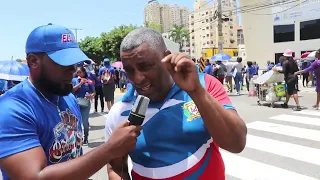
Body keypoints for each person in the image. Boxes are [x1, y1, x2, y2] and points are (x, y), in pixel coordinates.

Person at [0, 23, 141, 180]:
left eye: (74, 62)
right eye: (64, 62)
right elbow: (34, 177)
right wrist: (109, 149)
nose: (73, 69)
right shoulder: (12, 109)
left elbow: (73, 158)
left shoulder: (67, 97)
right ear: (33, 61)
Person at [105, 28, 247, 180]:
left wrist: (196, 92)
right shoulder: (120, 110)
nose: (138, 78)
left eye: (145, 66)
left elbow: (236, 143)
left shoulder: (204, 85)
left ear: (166, 57)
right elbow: (116, 168)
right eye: (129, 70)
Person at [72, 66, 95, 144]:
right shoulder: (74, 80)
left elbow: (93, 92)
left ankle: (86, 137)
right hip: (76, 104)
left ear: (84, 72)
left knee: (85, 122)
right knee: (76, 122)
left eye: (80, 72)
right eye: (77, 72)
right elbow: (72, 90)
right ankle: (77, 138)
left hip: (85, 103)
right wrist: (80, 83)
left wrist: (91, 95)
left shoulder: (88, 81)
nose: (78, 73)